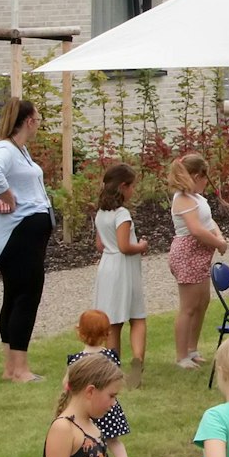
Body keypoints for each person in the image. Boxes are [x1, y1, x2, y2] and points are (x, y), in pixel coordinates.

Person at [0, 98, 54, 384]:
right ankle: (20, 369)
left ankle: (11, 367)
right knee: (26, 297)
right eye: (38, 119)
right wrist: (8, 196)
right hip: (19, 237)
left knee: (14, 296)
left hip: (24, 235)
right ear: (29, 121)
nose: (39, 124)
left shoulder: (18, 150)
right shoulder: (5, 149)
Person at [166, 153, 229, 370]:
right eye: (204, 178)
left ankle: (192, 349)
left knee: (202, 302)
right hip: (187, 254)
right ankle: (181, 355)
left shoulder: (197, 198)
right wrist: (218, 244)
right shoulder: (182, 198)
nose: (206, 183)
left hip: (201, 255)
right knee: (189, 307)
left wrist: (219, 237)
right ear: (195, 176)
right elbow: (196, 230)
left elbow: (208, 222)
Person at [91, 163, 147, 388]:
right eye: (132, 186)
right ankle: (137, 361)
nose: (133, 191)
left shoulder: (101, 213)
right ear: (123, 187)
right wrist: (141, 245)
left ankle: (113, 369)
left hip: (107, 266)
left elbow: (100, 245)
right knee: (137, 317)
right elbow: (125, 246)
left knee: (112, 321)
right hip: (124, 268)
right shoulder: (122, 214)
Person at [69, 310, 135, 457]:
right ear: (108, 333)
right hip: (109, 406)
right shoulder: (111, 356)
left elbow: (68, 384)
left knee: (87, 440)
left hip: (88, 409)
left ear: (79, 332)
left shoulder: (77, 360)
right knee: (113, 440)